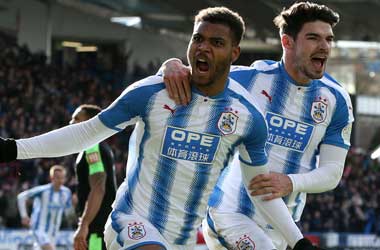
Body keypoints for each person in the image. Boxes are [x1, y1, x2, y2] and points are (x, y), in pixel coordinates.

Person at [1, 6, 319, 250]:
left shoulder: (247, 117)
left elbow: (260, 188)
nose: (203, 48)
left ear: (234, 53)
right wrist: (14, 147)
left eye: (216, 42)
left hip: (181, 238)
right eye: (198, 39)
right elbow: (86, 133)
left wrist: (297, 241)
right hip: (131, 221)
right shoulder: (152, 93)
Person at [160, 2, 354, 250]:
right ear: (287, 42)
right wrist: (170, 65)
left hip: (283, 225)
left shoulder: (336, 100)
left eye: (329, 39)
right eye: (314, 38)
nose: (324, 46)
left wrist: (290, 182)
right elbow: (182, 77)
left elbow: (332, 173)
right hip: (230, 213)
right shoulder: (249, 80)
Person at [70, 104, 117, 250]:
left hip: (97, 230)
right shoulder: (91, 147)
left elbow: (98, 188)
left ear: (90, 121)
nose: (70, 123)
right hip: (97, 227)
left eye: (76, 118)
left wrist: (84, 225)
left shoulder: (92, 148)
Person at [17, 165, 72, 250]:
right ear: (52, 178)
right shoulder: (43, 190)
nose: (60, 180)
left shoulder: (66, 192)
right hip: (39, 229)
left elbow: (68, 212)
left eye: (62, 178)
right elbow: (21, 197)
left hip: (54, 231)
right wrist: (24, 216)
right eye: (57, 177)